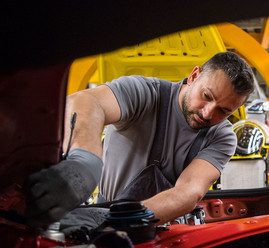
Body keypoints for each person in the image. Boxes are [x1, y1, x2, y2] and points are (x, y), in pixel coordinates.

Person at [25, 52, 255, 227]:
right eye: (206, 97)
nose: (208, 113)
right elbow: (85, 102)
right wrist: (84, 165)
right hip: (101, 212)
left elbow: (189, 192)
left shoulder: (222, 135)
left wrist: (124, 219)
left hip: (162, 228)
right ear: (194, 76)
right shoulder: (144, 93)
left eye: (223, 111)